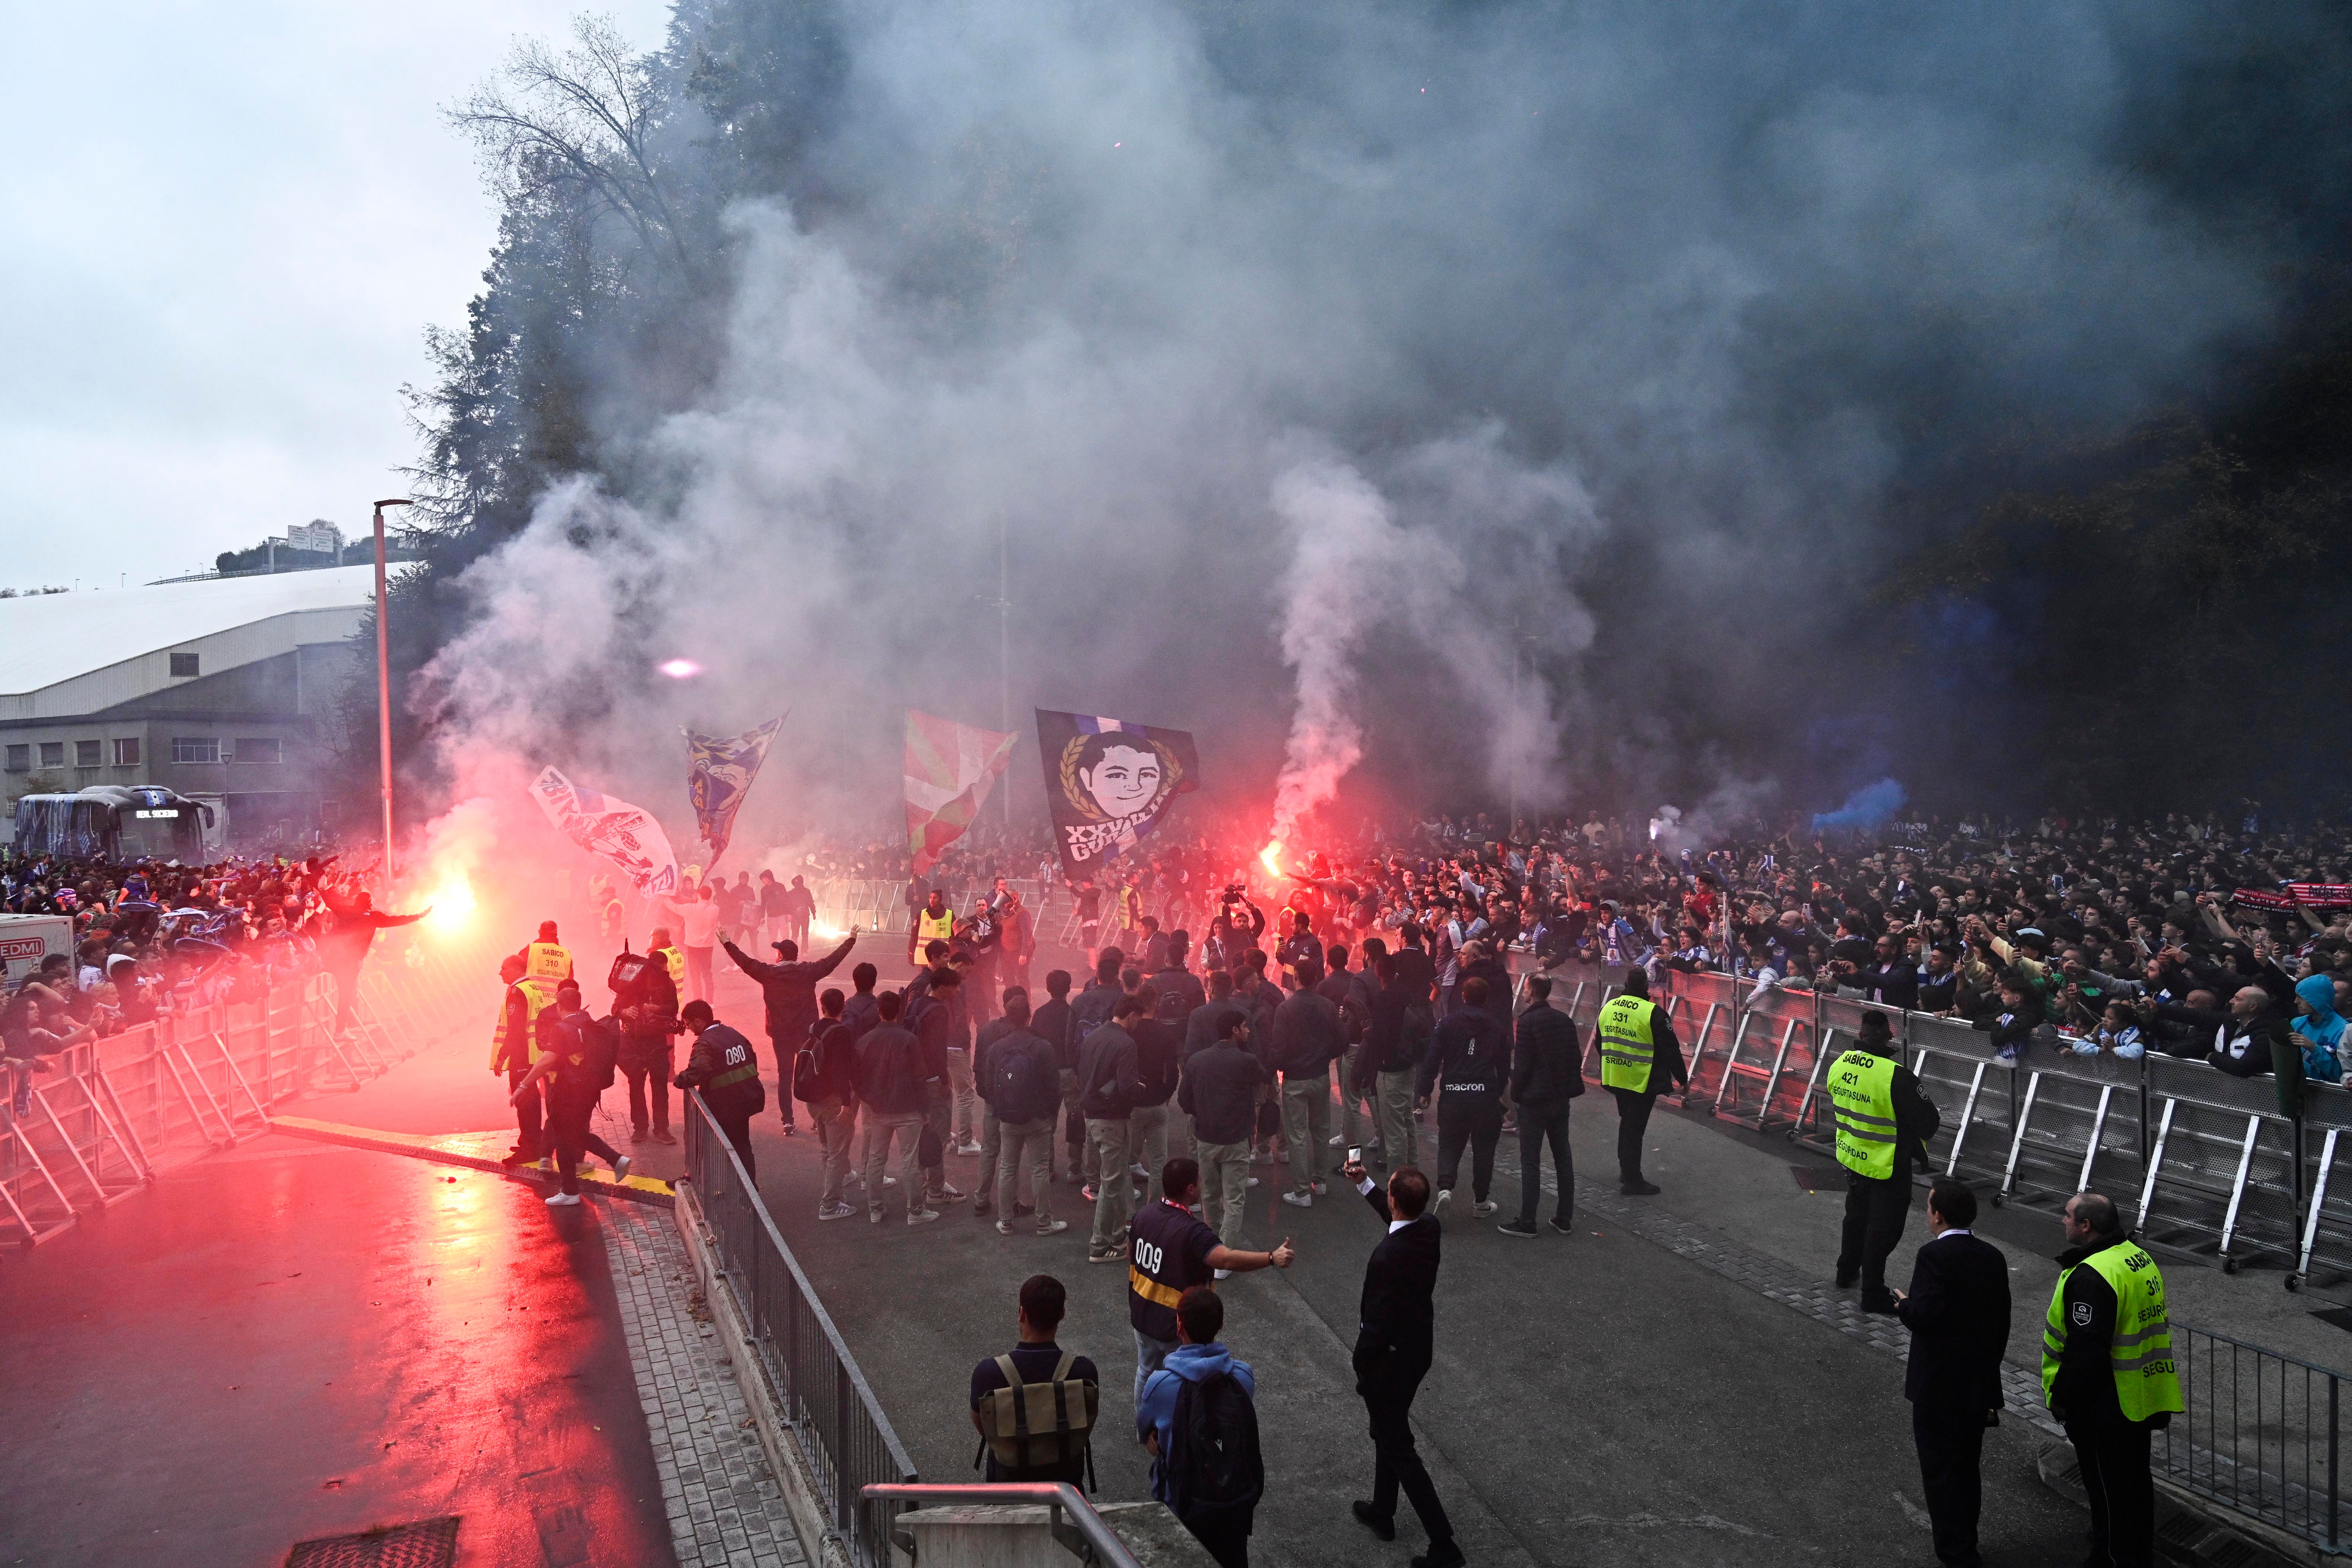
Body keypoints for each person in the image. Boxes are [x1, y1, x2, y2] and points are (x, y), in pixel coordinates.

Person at [2044, 1190, 2182, 1568]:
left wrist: (2062, 1399)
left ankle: (2113, 1558)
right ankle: (2131, 1549)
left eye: (2069, 1215)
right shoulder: (2136, 1258)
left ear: (2086, 1226)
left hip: (2105, 1407)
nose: (2063, 1220)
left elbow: (2085, 1352)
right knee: (2134, 1485)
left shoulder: (2092, 1277)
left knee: (2109, 1490)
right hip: (2139, 1396)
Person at [1340, 1158, 1460, 1568]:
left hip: (1388, 1363)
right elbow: (1399, 1218)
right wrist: (1366, 1185)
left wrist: (1361, 1367)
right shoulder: (1429, 1229)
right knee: (1387, 1430)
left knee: (1398, 1446)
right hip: (1416, 1351)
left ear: (1394, 1200)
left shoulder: (1387, 1257)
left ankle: (1444, 1545)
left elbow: (1375, 1325)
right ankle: (1383, 1511)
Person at [1893, 1179, 2009, 1568]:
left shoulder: (1933, 1257)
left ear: (1938, 1215)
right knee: (1966, 1467)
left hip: (1939, 1387)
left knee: (1941, 1471)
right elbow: (2001, 1321)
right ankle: (1967, 1541)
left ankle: (1955, 1552)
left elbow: (1926, 1316)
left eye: (1929, 1207)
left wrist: (1905, 1306)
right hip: (1977, 1385)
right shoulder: (1992, 1256)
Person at [1129, 1158, 1293, 1404]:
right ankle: (1180, 1428)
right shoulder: (1192, 1231)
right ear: (1190, 1190)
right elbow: (1227, 1260)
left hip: (1141, 1314)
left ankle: (1145, 1424)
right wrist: (1271, 1258)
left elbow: (1133, 1258)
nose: (1202, 1184)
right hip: (1175, 1325)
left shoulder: (1143, 1215)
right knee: (1182, 1381)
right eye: (1199, 1180)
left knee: (1146, 1370)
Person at [1138, 1285, 1263, 1568]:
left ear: (1179, 1326)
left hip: (1181, 1503)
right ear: (1221, 1325)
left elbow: (1144, 1428)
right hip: (1233, 1499)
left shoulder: (1160, 1384)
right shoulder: (1242, 1376)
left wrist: (1151, 1438)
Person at [1827, 1010, 1941, 1312]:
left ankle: (1846, 1272)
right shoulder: (1897, 1077)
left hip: (1852, 1157)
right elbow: (1929, 1123)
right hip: (1887, 1164)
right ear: (1890, 1038)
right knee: (1883, 1230)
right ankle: (1873, 1293)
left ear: (1860, 1035)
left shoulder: (1838, 1065)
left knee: (1855, 1218)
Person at [720, 926, 857, 1137]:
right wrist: (850, 941)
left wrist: (728, 943)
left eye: (777, 952)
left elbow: (745, 962)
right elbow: (832, 960)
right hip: (806, 1034)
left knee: (784, 1075)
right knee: (813, 1071)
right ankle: (817, 1118)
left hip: (781, 1033)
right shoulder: (808, 972)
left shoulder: (769, 974)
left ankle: (788, 1121)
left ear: (781, 955)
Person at [970, 1274, 1100, 1487]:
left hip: (1009, 1486)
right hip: (1066, 1486)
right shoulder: (1083, 1372)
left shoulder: (989, 1373)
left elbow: (984, 1426)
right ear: (1062, 1315)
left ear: (1022, 1314)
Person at [509, 980, 631, 1206]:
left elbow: (547, 1060)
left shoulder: (561, 1028)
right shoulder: (590, 1023)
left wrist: (524, 1086)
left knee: (565, 1136)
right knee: (571, 1134)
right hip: (591, 1090)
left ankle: (574, 1189)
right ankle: (610, 1165)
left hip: (568, 1091)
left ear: (559, 1005)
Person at [1415, 974, 1508, 1216]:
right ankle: (1481, 1202)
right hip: (1485, 1096)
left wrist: (1425, 1090)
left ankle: (1446, 1189)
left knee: (1449, 1145)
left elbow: (1432, 1059)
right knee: (1484, 1150)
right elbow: (1505, 1066)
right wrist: (1497, 1093)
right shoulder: (1496, 1027)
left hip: (1453, 1095)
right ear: (1486, 999)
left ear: (1464, 997)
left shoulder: (1447, 1023)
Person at [1179, 1008, 1268, 1259]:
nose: (1248, 1031)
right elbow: (1263, 1076)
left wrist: (1202, 1112)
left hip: (1206, 1138)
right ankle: (1225, 1254)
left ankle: (1211, 1244)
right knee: (1234, 1199)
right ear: (1235, 1031)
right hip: (1237, 1138)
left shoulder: (1197, 1060)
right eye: (1244, 1027)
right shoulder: (1246, 1060)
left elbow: (1184, 1099)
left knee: (1209, 1196)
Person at [1498, 972, 1580, 1238]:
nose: (1522, 992)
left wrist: (1518, 1095)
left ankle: (1527, 1221)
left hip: (1534, 1101)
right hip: (1559, 1099)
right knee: (1563, 1158)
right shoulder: (1564, 1020)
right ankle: (1564, 1218)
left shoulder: (1527, 1022)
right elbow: (1574, 1058)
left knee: (1531, 1161)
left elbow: (1522, 1066)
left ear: (1532, 992)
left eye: (1525, 989)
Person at [982, 990, 1070, 1236]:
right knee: (1039, 1168)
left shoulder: (998, 1048)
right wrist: (1049, 1113)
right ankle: (1044, 1222)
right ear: (1030, 1016)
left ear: (1008, 1017)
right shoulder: (1043, 1046)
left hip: (1008, 1118)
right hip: (1037, 1117)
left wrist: (1001, 1109)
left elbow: (990, 1085)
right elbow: (1053, 1085)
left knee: (1008, 1167)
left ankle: (1006, 1221)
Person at [1593, 966, 1687, 1195]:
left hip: (1616, 1075)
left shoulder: (1609, 1007)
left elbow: (1600, 1042)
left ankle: (1627, 1171)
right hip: (1642, 1080)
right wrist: (1683, 1080)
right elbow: (1671, 1050)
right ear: (1647, 986)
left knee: (1627, 1125)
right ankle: (1633, 1180)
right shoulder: (1653, 1013)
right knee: (1634, 1130)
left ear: (1625, 984)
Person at [1080, 992, 1150, 1264]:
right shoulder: (1126, 1044)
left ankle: (1118, 1236)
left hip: (1091, 1115)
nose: (1138, 1024)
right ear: (1131, 1015)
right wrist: (1141, 1089)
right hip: (1112, 1119)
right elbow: (1128, 1087)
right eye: (1138, 1019)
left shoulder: (1093, 1037)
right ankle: (1100, 1245)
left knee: (1113, 1178)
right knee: (1111, 1184)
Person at [1269, 958, 1344, 1206]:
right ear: (1316, 979)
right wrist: (1326, 1056)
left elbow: (1278, 1048)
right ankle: (1320, 1182)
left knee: (1297, 1135)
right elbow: (1342, 1041)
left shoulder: (1286, 1009)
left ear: (1296, 978)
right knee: (1322, 1130)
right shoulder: (1328, 1006)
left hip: (1295, 1079)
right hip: (1321, 1075)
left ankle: (1301, 1192)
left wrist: (1276, 1067)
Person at [858, 990, 935, 1224]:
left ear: (879, 1012)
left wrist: (870, 1100)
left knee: (876, 1160)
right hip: (909, 1109)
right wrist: (925, 1110)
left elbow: (859, 1078)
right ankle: (915, 1211)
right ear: (899, 1012)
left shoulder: (866, 1041)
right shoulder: (909, 1040)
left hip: (879, 1110)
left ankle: (875, 1209)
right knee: (909, 1161)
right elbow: (920, 1078)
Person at [673, 999, 767, 1179]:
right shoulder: (733, 1033)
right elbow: (752, 1059)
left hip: (723, 1105)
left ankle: (691, 1178)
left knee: (696, 1137)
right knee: (742, 1146)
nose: (689, 1029)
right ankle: (748, 1191)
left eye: (689, 1024)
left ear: (699, 1021)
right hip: (746, 1099)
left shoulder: (705, 1042)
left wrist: (680, 1079)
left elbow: (698, 1071)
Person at [615, 927, 685, 1144]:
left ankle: (662, 1129)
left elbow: (673, 1008)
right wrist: (626, 1012)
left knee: (659, 1086)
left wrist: (656, 1009)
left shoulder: (667, 984)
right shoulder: (630, 984)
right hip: (633, 1041)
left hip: (657, 1042)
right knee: (636, 1085)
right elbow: (615, 1009)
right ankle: (641, 1128)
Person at [805, 988, 863, 1219]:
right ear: (844, 1008)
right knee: (838, 1153)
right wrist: (847, 1104)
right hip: (833, 1101)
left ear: (822, 1007)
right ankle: (829, 1204)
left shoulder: (812, 1029)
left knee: (827, 1148)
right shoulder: (841, 1034)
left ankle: (836, 1195)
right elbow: (841, 1072)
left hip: (814, 1099)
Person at [489, 953, 550, 1170]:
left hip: (521, 1056)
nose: (501, 973)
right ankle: (531, 1142)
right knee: (531, 1100)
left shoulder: (517, 992)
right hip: (534, 1055)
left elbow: (515, 1030)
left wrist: (501, 1057)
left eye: (504, 968)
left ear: (516, 968)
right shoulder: (534, 987)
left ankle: (530, 1149)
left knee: (525, 1104)